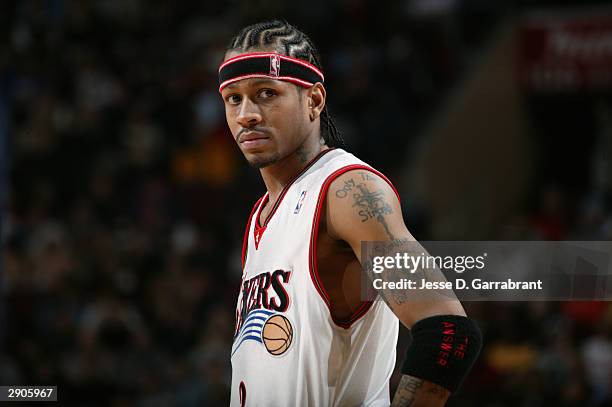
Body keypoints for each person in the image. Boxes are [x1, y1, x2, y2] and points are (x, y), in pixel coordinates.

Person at [219, 19, 482, 407]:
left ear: (314, 100)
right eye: (233, 99)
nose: (247, 114)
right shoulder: (261, 214)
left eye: (266, 93)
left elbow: (448, 331)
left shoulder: (346, 191)